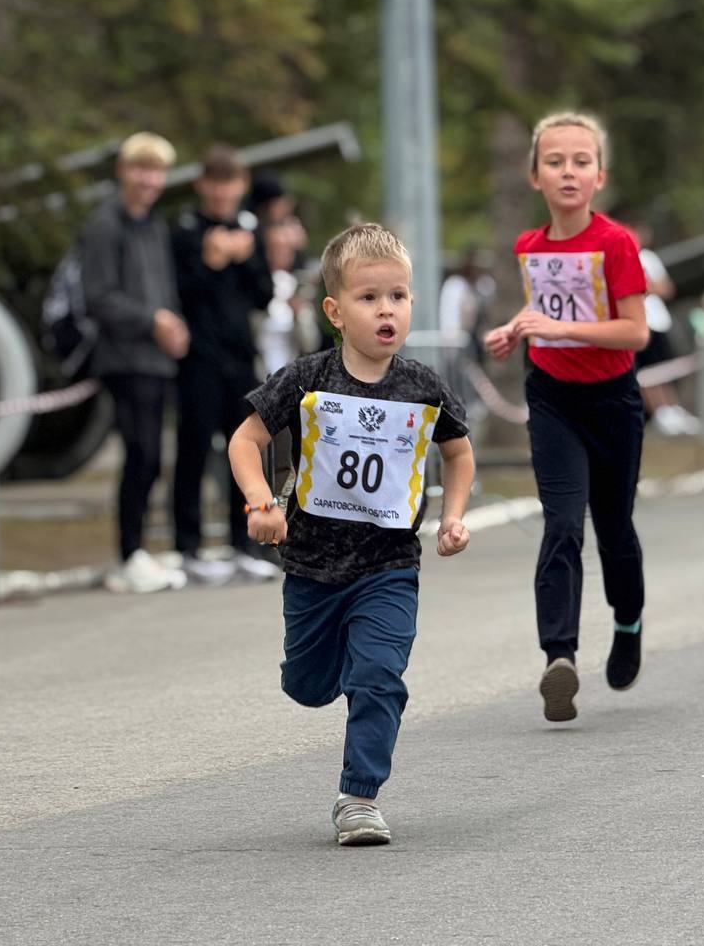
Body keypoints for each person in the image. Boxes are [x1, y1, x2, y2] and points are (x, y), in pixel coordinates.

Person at [228, 223, 474, 846]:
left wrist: (453, 515)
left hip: (389, 564)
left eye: (398, 295)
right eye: (369, 298)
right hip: (312, 565)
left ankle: (359, 798)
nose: (386, 309)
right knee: (307, 686)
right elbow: (245, 440)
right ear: (335, 311)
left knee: (380, 677)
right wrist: (261, 500)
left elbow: (459, 452)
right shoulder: (306, 379)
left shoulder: (423, 387)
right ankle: (335, 665)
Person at [483, 112, 650, 723]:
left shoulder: (615, 243)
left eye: (581, 161)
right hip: (552, 398)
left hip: (613, 402)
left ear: (599, 175)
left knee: (614, 529)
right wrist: (513, 331)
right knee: (562, 525)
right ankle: (561, 657)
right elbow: (546, 311)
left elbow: (634, 331)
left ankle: (628, 623)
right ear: (535, 176)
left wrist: (556, 327)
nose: (568, 171)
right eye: (555, 162)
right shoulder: (529, 246)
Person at [81, 132, 190, 595]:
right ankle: (129, 553)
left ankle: (140, 550)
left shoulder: (154, 224)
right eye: (140, 169)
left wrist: (174, 323)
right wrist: (154, 320)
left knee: (152, 456)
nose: (148, 180)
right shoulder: (105, 224)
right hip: (123, 358)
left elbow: (164, 290)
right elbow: (98, 297)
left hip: (156, 359)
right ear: (124, 171)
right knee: (140, 453)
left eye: (156, 171)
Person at [172, 145, 278, 585]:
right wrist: (211, 260)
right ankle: (188, 546)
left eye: (229, 183)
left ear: (240, 186)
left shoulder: (248, 230)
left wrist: (244, 255)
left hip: (239, 358)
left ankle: (247, 542)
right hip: (198, 359)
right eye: (214, 183)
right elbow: (181, 291)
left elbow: (264, 294)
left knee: (246, 450)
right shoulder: (183, 230)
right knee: (193, 451)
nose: (221, 192)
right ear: (202, 185)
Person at [628, 217, 700, 436]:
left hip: (658, 322)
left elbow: (666, 288)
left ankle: (671, 409)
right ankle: (659, 412)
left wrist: (646, 285)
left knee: (664, 368)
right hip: (638, 323)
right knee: (646, 372)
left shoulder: (649, 258)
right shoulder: (620, 258)